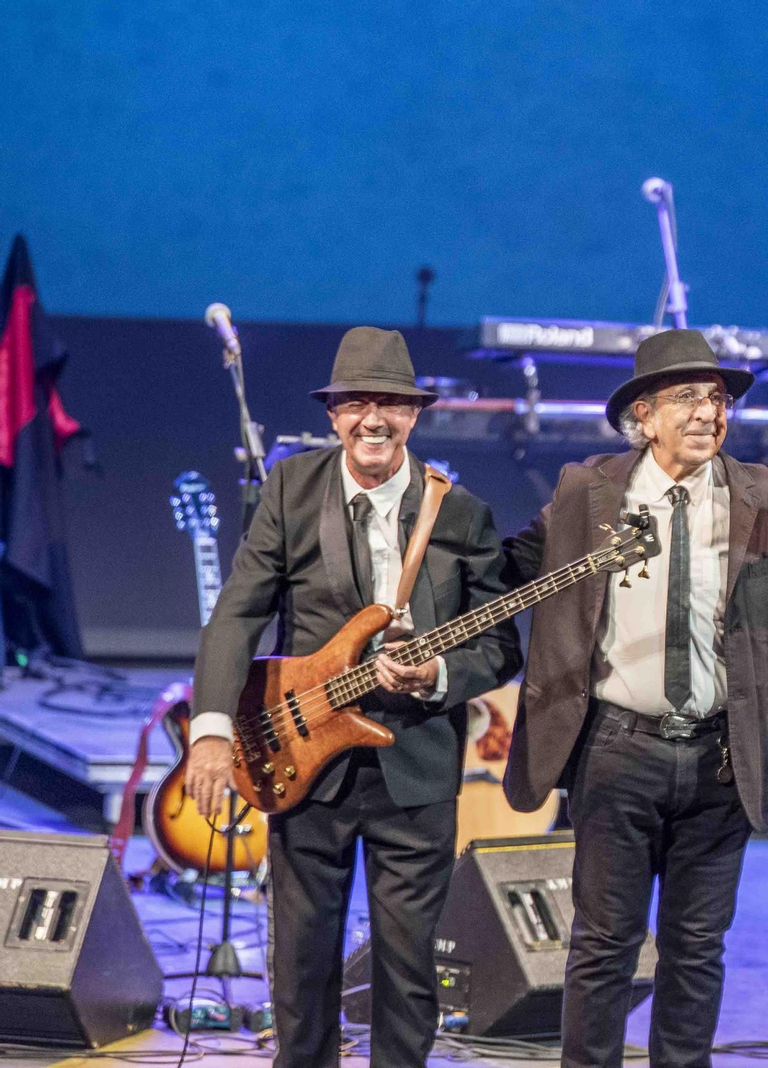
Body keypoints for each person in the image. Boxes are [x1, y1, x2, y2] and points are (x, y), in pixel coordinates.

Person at [500, 328, 768, 1068]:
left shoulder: (765, 500)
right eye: (688, 398)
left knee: (697, 948)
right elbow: (506, 573)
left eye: (718, 399)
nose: (708, 412)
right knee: (605, 944)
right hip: (616, 752)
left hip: (721, 760)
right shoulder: (588, 492)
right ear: (645, 415)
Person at [186, 327, 523, 1068]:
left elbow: (500, 646)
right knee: (302, 963)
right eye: (357, 404)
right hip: (303, 755)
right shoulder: (291, 489)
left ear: (415, 415)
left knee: (407, 970)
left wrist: (437, 676)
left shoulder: (460, 512)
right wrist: (211, 729)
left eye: (392, 405)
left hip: (415, 763)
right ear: (334, 414)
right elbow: (237, 613)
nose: (374, 420)